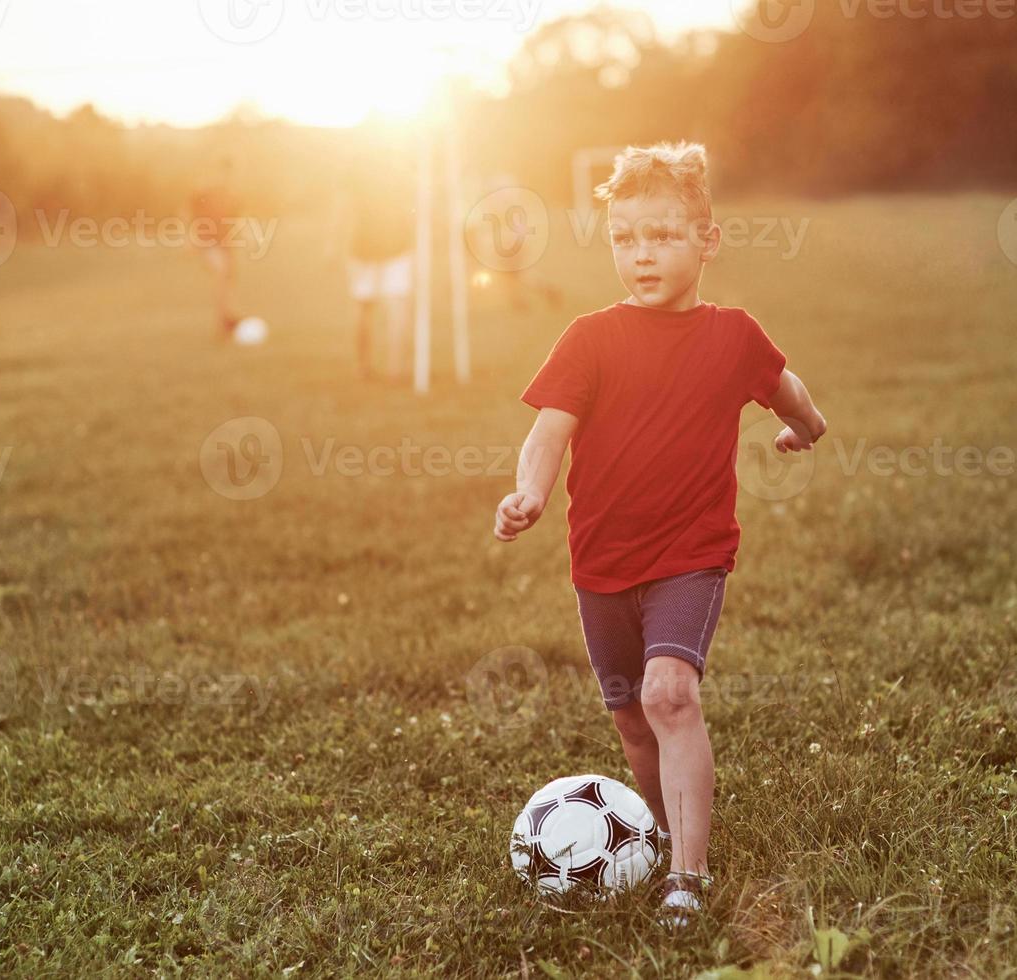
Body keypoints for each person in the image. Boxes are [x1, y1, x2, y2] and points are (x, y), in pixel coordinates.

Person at [491, 142, 828, 926]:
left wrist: (806, 428)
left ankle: (687, 877)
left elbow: (787, 389)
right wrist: (528, 492)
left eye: (662, 236)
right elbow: (548, 432)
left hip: (690, 554)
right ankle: (664, 829)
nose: (641, 255)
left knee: (669, 694)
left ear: (706, 241)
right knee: (631, 719)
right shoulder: (589, 337)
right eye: (624, 238)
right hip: (602, 560)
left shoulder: (733, 334)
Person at [341, 129, 416, 382]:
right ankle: (396, 369)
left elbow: (344, 206)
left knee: (365, 307)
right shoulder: (399, 163)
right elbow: (411, 206)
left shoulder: (356, 166)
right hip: (392, 243)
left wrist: (332, 243)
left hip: (366, 245)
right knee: (396, 305)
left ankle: (363, 367)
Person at [189, 155, 244, 340]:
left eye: (230, 173)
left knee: (228, 279)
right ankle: (222, 322)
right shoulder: (205, 192)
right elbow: (185, 212)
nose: (227, 177)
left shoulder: (234, 196)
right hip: (207, 243)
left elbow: (234, 221)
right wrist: (190, 238)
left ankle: (228, 316)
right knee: (221, 273)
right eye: (224, 173)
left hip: (225, 244)